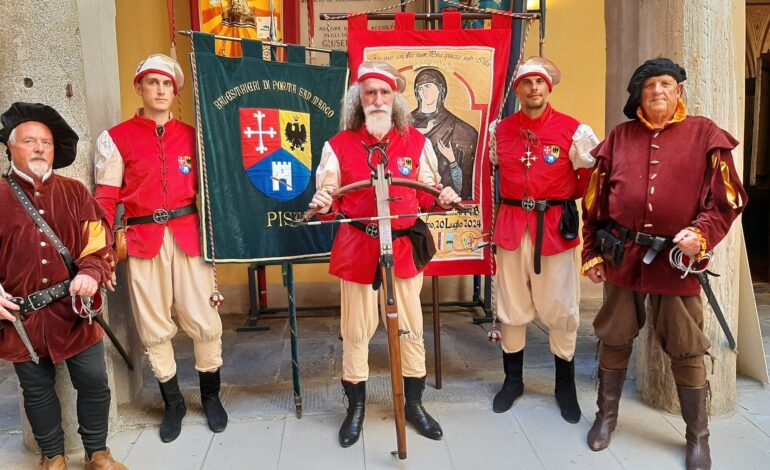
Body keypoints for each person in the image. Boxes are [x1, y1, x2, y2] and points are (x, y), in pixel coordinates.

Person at [581, 58, 747, 470]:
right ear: (639, 94)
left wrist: (701, 234)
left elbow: (727, 200)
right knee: (614, 336)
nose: (658, 91)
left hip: (677, 261)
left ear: (679, 92)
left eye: (666, 84)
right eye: (650, 85)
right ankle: (606, 417)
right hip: (624, 256)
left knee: (687, 347)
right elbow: (594, 205)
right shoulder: (619, 138)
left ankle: (698, 438)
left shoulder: (705, 134)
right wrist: (592, 253)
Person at [309, 61, 461, 448]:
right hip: (358, 246)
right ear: (359, 100)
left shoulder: (417, 143)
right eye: (369, 93)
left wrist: (442, 195)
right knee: (356, 331)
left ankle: (414, 405)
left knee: (409, 328)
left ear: (395, 100)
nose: (377, 100)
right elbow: (328, 196)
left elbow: (428, 189)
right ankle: (355, 407)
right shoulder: (338, 145)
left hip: (405, 247)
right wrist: (324, 200)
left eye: (384, 93)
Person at [93, 54, 227, 443]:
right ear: (139, 87)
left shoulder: (194, 134)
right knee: (153, 325)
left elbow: (214, 191)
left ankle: (211, 397)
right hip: (141, 238)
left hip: (189, 235)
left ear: (176, 90)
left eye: (167, 84)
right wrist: (99, 250)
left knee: (204, 318)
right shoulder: (115, 138)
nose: (161, 90)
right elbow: (104, 198)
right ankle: (174, 404)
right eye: (153, 83)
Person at [0, 102, 126, 469]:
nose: (40, 148)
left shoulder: (74, 192)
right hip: (21, 319)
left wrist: (90, 272)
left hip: (75, 311)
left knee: (93, 382)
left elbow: (98, 242)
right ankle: (52, 457)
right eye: (29, 141)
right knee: (36, 391)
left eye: (47, 142)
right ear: (10, 147)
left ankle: (98, 453)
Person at [489, 57, 598, 423]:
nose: (533, 88)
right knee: (512, 304)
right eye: (526, 82)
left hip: (554, 228)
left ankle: (564, 386)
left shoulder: (573, 130)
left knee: (561, 306)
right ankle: (513, 380)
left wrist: (564, 205)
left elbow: (590, 180)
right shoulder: (500, 131)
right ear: (517, 89)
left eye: (539, 82)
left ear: (549, 87)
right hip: (510, 226)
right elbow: (491, 175)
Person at [410, 67, 479, 200]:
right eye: (420, 88)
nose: (424, 92)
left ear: (440, 90)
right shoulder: (403, 124)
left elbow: (465, 185)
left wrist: (452, 161)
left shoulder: (462, 130)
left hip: (447, 202)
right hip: (412, 202)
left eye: (428, 86)